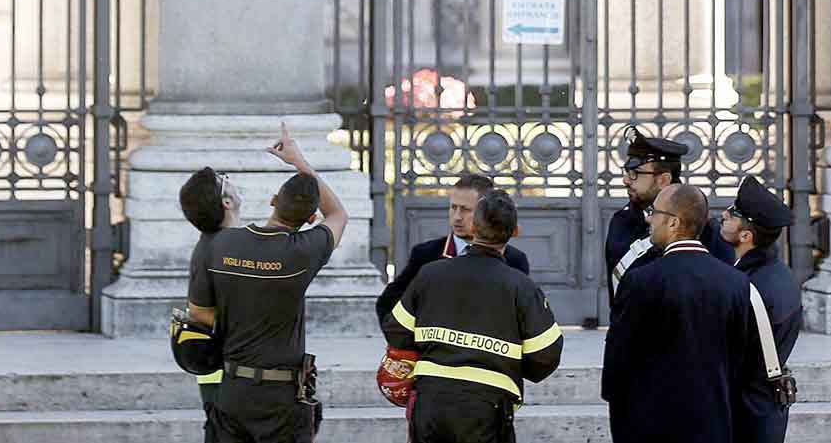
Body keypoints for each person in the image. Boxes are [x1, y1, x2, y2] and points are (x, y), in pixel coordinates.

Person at [187, 123, 350, 443]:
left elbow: (200, 316)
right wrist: (299, 162)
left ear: (273, 200)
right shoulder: (303, 252)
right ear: (309, 220)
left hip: (234, 390)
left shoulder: (219, 246)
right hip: (283, 399)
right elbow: (339, 215)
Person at [381, 190, 564, 443]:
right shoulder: (522, 287)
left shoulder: (430, 274)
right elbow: (546, 354)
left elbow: (397, 329)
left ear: (474, 227)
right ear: (515, 232)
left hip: (431, 402)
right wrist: (511, 366)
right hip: (488, 407)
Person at [602, 184, 757, 443]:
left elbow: (619, 360)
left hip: (650, 423)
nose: (650, 219)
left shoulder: (641, 280)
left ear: (673, 223)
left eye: (655, 212)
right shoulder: (735, 282)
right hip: (711, 423)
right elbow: (738, 359)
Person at [376, 172, 532, 324]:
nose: (457, 217)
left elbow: (521, 317)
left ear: (485, 211)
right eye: (453, 207)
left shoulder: (514, 260)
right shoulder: (425, 254)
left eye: (465, 209)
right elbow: (388, 303)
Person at [605, 128, 734, 299]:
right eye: (627, 172)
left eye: (635, 173)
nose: (626, 180)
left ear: (663, 180)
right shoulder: (622, 222)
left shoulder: (706, 230)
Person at [720, 176, 802, 443]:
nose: (724, 215)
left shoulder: (748, 287)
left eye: (733, 214)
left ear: (746, 235)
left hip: (746, 412)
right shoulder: (778, 274)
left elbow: (730, 357)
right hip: (766, 407)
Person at [175, 167, 245, 442]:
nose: (231, 180)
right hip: (224, 378)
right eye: (224, 180)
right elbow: (201, 318)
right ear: (226, 202)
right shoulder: (216, 250)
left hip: (231, 376)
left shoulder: (217, 245)